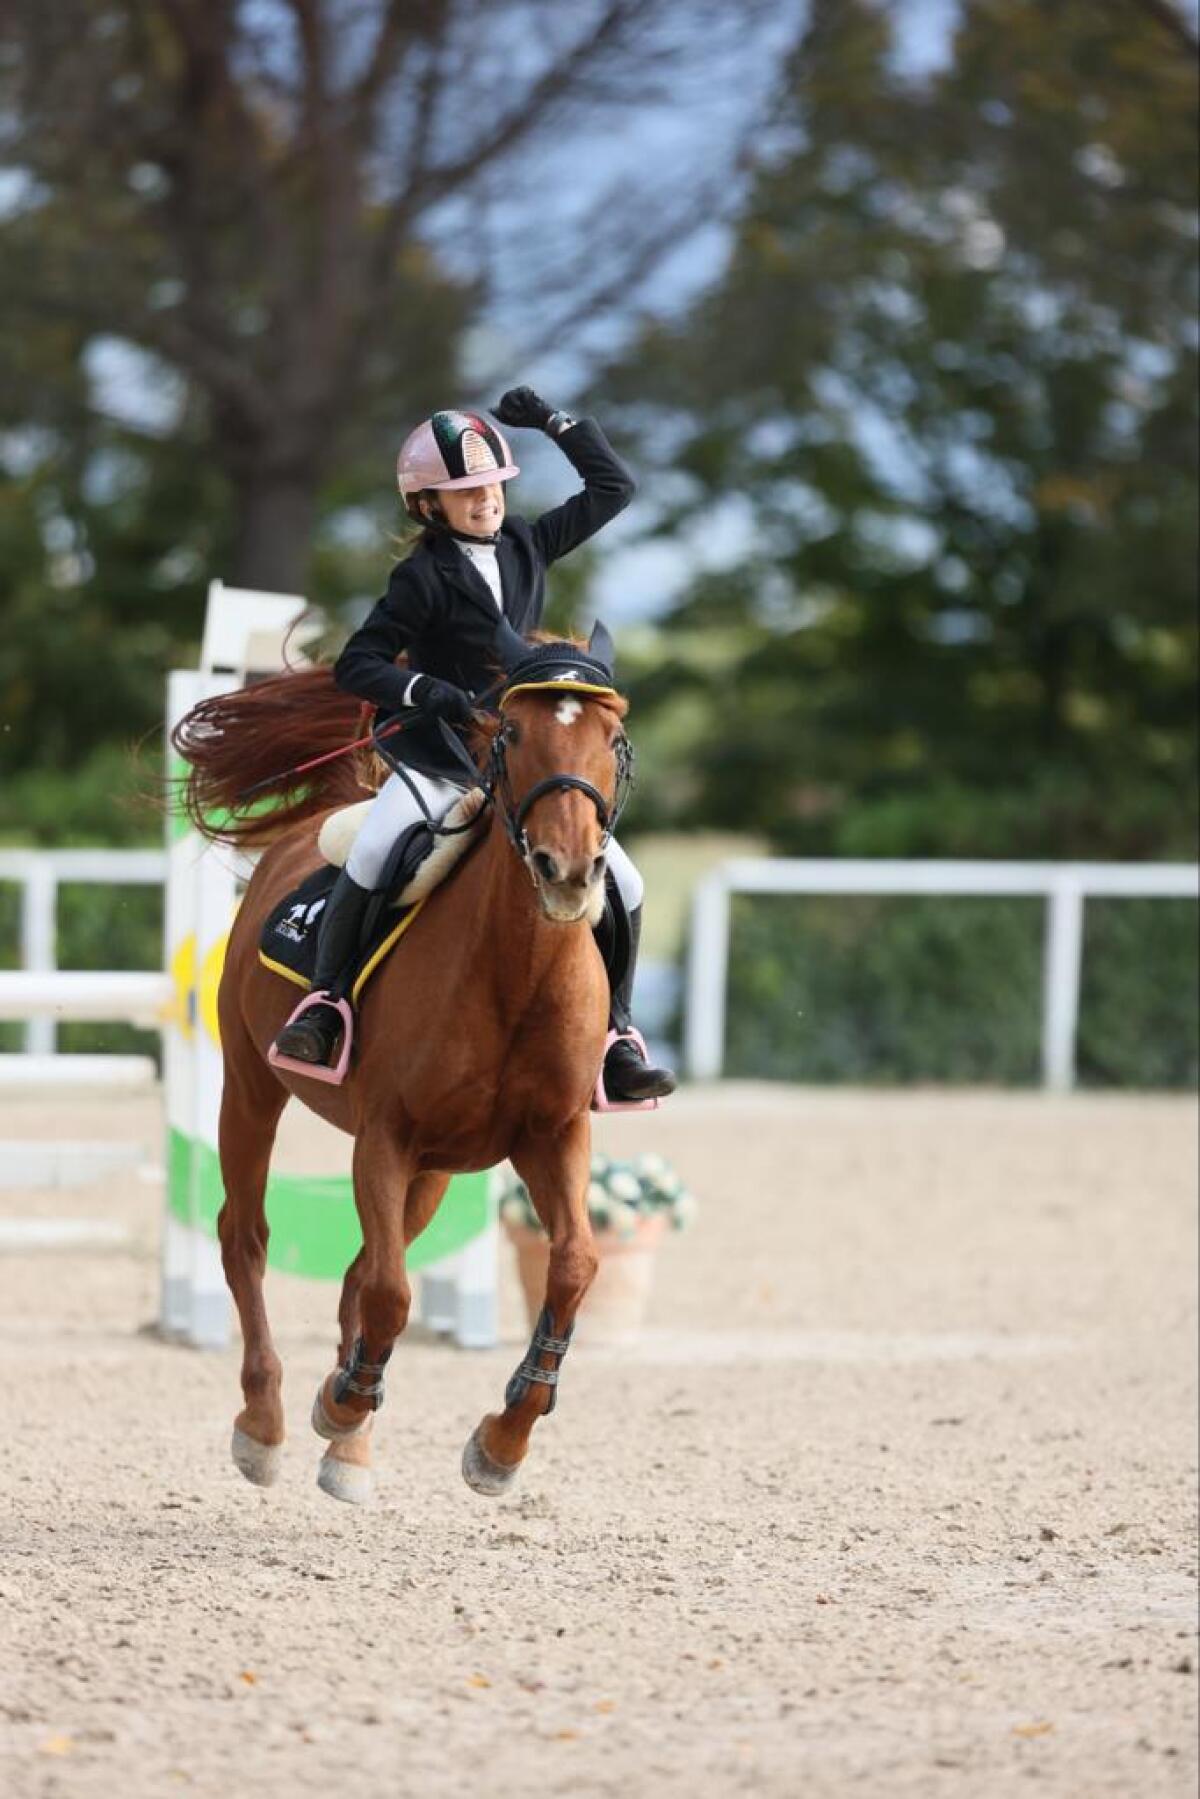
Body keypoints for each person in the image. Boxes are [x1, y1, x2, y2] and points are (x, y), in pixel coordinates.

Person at [272, 385, 676, 1102]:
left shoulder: (527, 542)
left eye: (492, 484)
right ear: (430, 505)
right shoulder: (421, 577)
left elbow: (615, 487)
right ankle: (328, 1004)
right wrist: (423, 689)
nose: (485, 499)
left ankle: (616, 1035)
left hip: (522, 760)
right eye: (466, 491)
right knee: (375, 847)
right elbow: (356, 664)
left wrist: (555, 423)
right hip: (441, 756)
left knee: (629, 881)